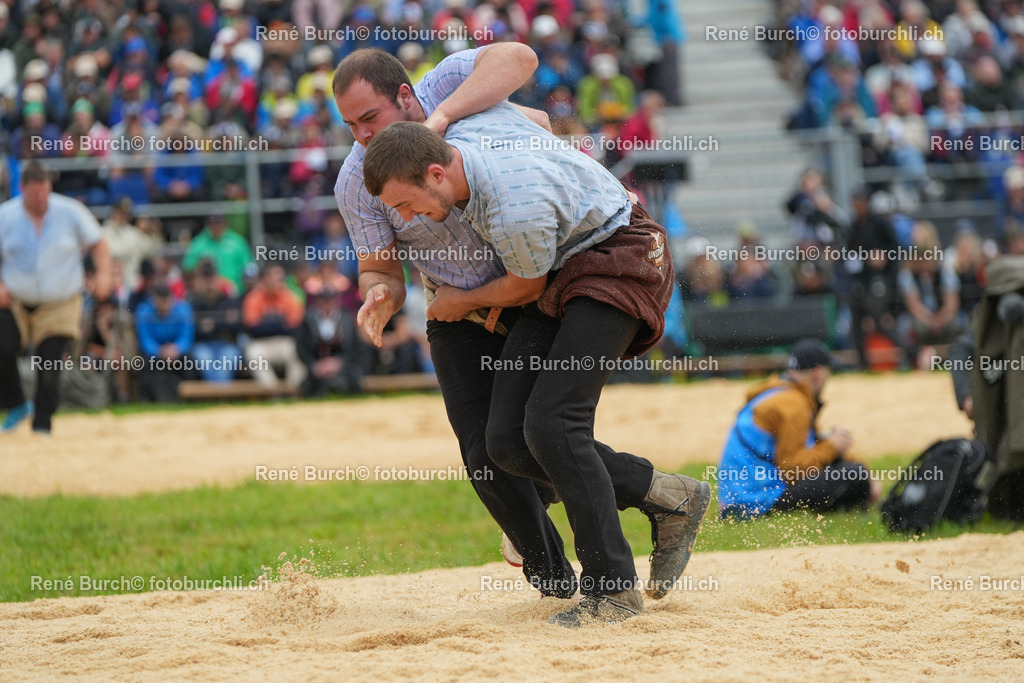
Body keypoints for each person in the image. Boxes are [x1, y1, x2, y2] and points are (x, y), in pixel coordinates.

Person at [362, 108, 711, 627]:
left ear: (436, 173)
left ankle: (613, 592)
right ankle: (668, 495)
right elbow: (536, 113)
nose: (408, 218)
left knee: (554, 425)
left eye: (406, 204)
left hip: (622, 258)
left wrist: (461, 301)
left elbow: (525, 287)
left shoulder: (512, 207)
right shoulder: (468, 136)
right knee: (504, 442)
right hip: (570, 270)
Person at [0, 161, 112, 434]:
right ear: (22, 188)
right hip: (14, 300)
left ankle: (42, 423)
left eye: (44, 192)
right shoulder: (6, 216)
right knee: (3, 349)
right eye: (34, 194)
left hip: (61, 302)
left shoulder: (70, 211)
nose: (40, 199)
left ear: (50, 186)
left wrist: (104, 275)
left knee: (49, 361)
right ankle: (16, 403)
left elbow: (99, 243)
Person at [717, 339, 880, 518]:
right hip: (756, 501)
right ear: (818, 372)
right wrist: (833, 447)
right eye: (828, 372)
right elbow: (793, 471)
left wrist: (836, 450)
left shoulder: (778, 393)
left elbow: (810, 446)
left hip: (740, 497)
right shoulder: (794, 404)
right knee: (854, 475)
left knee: (849, 468)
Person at [242, 264, 306, 389]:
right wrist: (281, 325)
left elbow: (295, 328)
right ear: (264, 278)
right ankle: (273, 393)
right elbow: (253, 329)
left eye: (280, 277)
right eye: (274, 276)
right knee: (253, 354)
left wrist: (266, 325)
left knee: (300, 351)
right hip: (261, 343)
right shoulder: (253, 297)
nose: (278, 280)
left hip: (285, 342)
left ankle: (292, 391)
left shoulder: (290, 297)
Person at [135, 282, 194, 403]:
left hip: (177, 352)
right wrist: (159, 351)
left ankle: (190, 398)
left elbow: (186, 336)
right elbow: (144, 339)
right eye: (160, 302)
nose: (163, 306)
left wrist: (176, 349)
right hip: (155, 354)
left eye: (166, 301)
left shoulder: (183, 309)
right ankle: (149, 399)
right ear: (153, 300)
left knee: (190, 362)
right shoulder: (144, 311)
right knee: (146, 364)